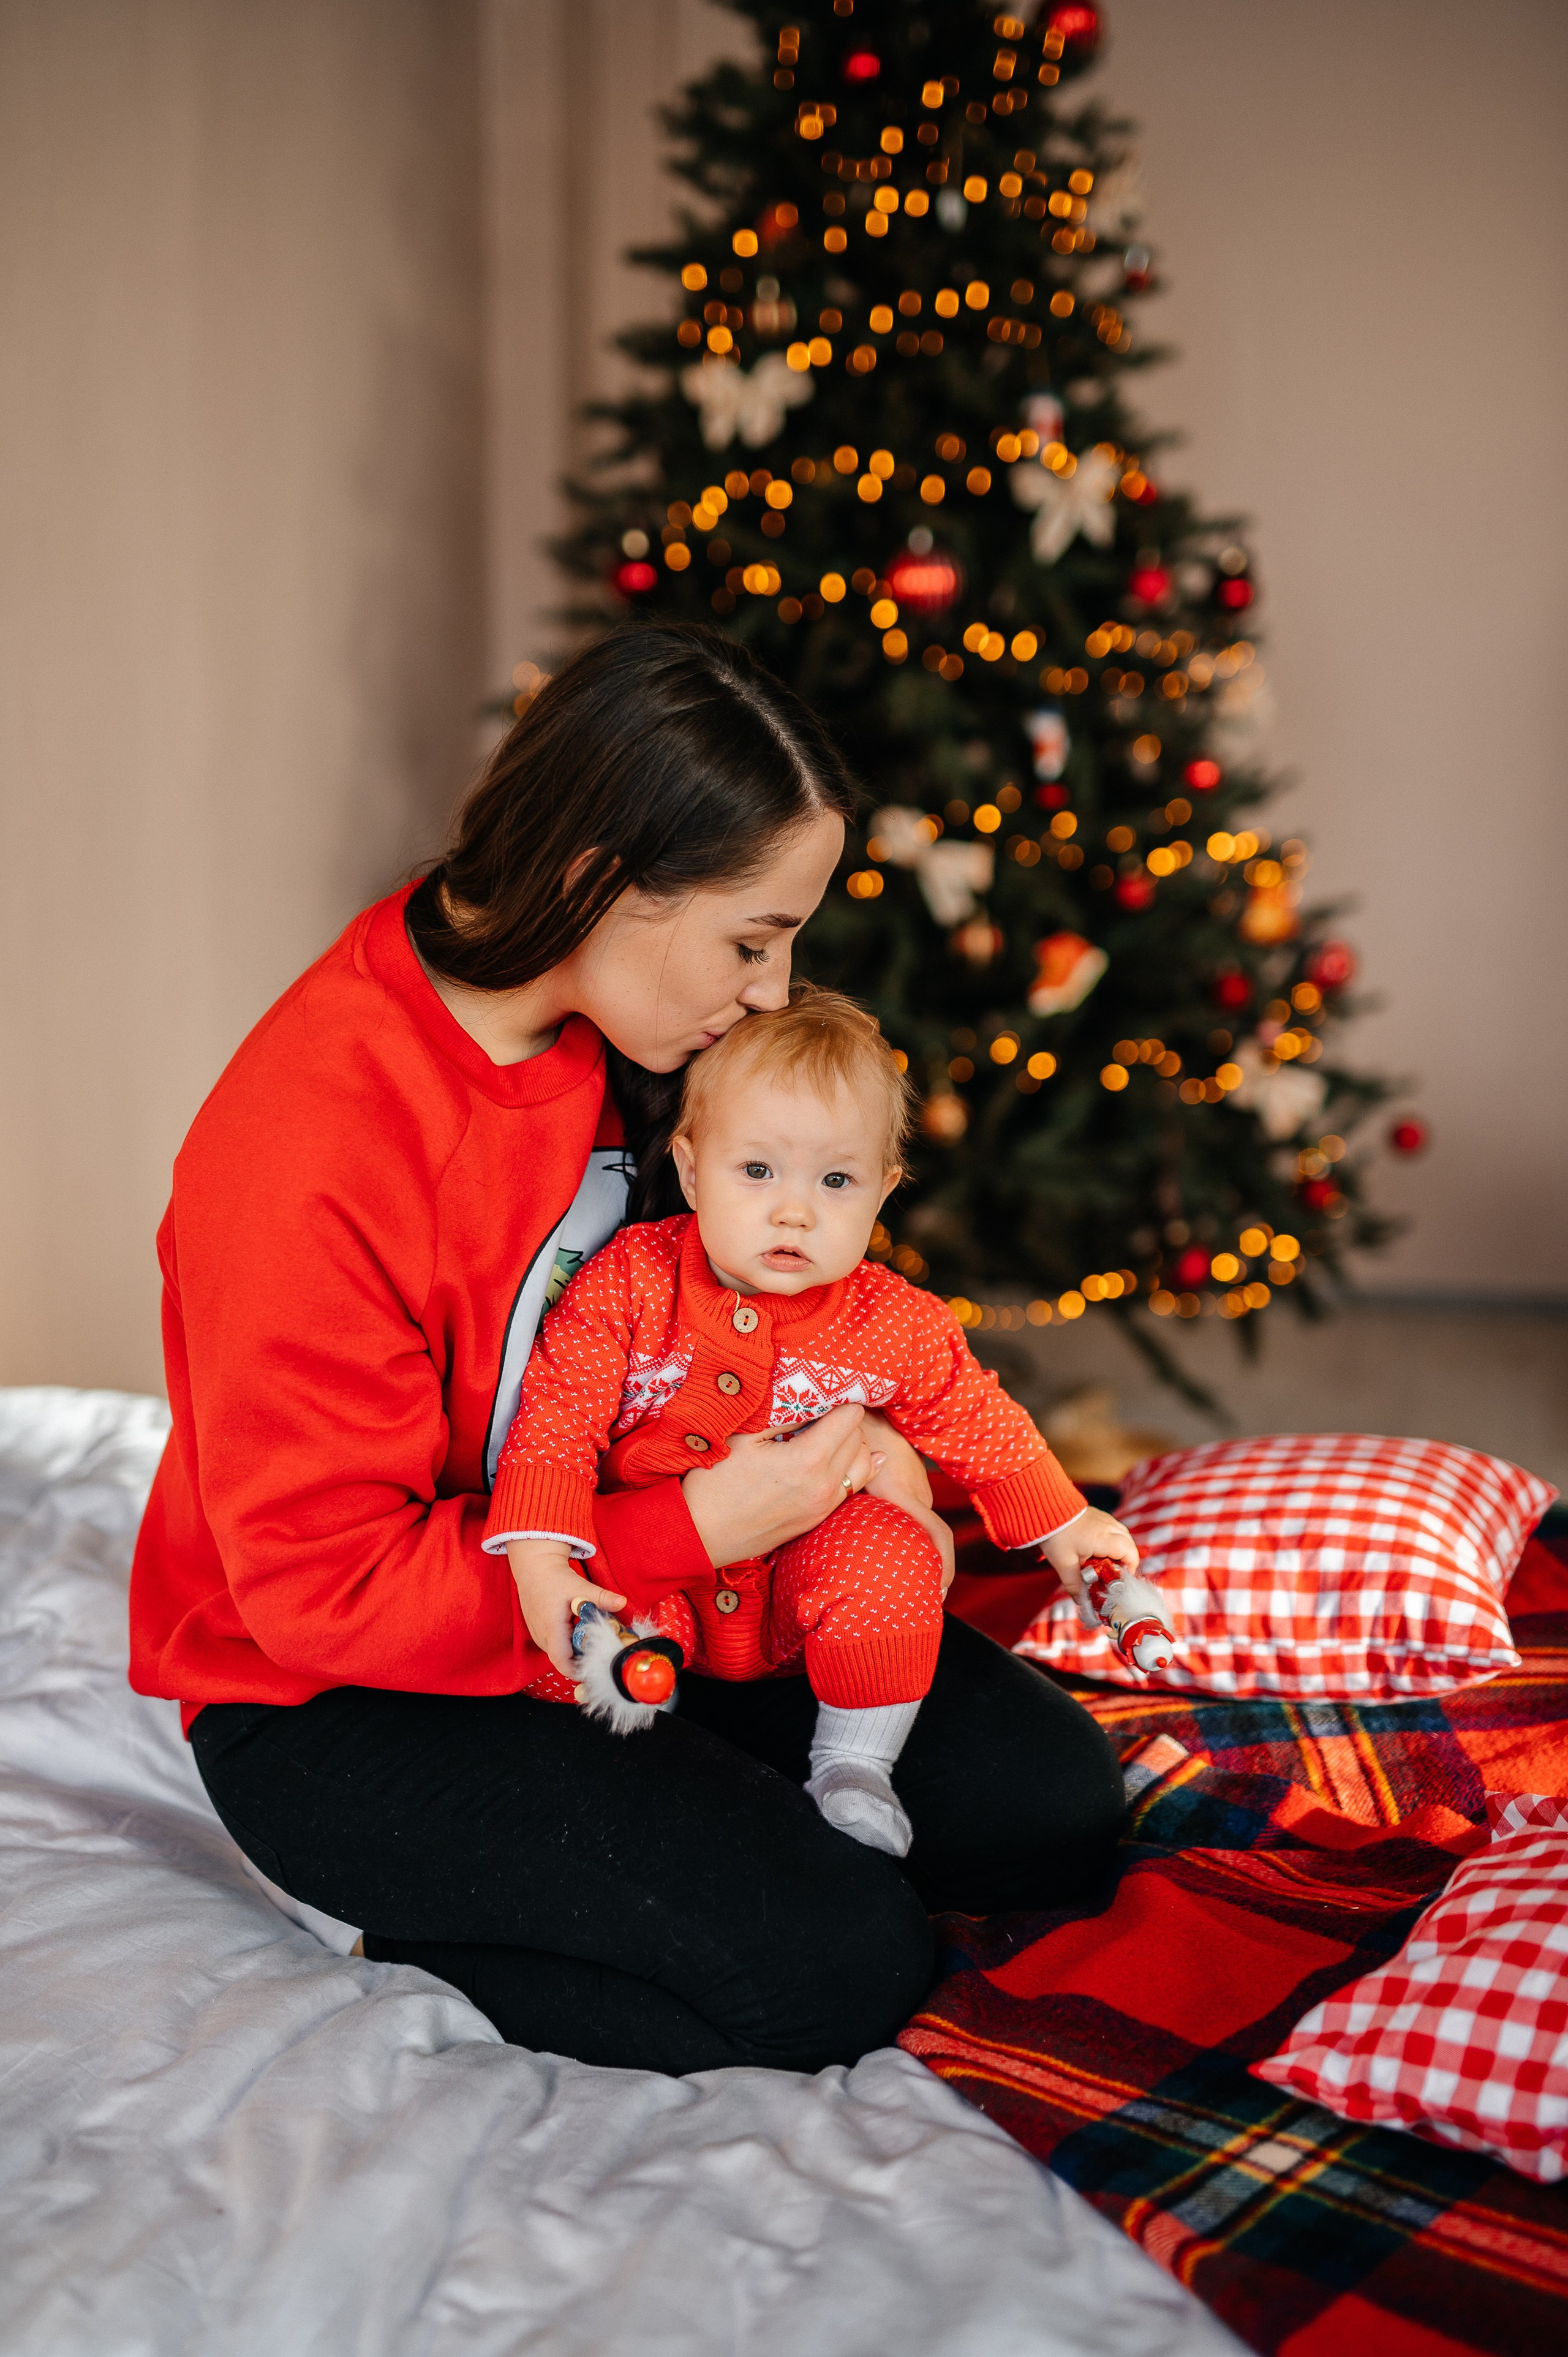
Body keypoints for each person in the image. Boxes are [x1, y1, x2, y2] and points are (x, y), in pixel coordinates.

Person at [129, 623, 1126, 2077]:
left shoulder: (621, 1036)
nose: (773, 991)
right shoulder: (308, 1148)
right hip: (344, 1696)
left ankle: (688, 1817)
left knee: (1051, 1806)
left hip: (649, 1589)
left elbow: (735, 1302)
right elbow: (321, 1597)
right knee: (839, 1966)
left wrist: (862, 1440)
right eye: (750, 940)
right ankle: (417, 1928)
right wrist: (698, 1524)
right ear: (603, 878)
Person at [491, 984, 1137, 1861]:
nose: (795, 1210)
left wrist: (1066, 1524)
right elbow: (557, 1421)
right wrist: (539, 1558)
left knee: (894, 1555)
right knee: (581, 1642)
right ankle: (650, 1781)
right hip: (661, 1586)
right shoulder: (629, 1282)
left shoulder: (894, 1320)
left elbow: (979, 1421)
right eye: (756, 1172)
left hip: (797, 1595)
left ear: (882, 1193)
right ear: (690, 1170)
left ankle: (853, 1766)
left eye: (836, 1181)